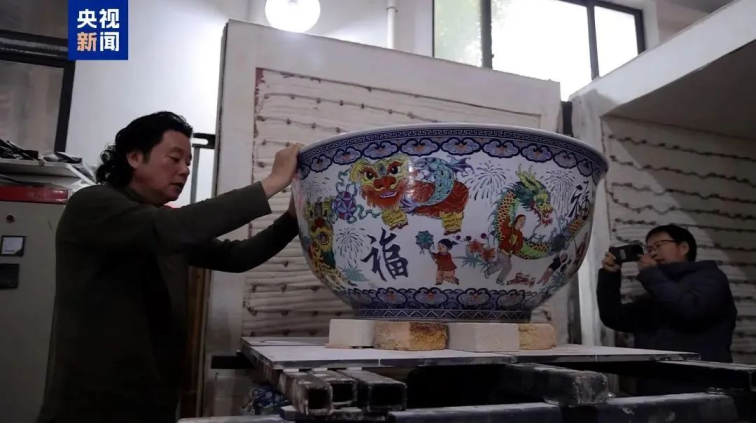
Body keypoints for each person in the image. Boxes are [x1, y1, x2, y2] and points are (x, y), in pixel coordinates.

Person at [38, 111, 303, 423]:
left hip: (152, 403)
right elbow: (173, 227)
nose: (185, 170)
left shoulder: (162, 223)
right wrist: (272, 183)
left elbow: (237, 257)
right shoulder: (93, 205)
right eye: (175, 159)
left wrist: (291, 220)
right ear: (134, 157)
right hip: (91, 408)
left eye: (188, 162)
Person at [597, 224, 737, 395]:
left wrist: (651, 275)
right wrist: (610, 276)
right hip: (654, 391)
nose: (653, 253)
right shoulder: (656, 289)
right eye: (649, 249)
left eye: (659, 245)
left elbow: (690, 310)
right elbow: (614, 317)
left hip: (701, 389)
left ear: (684, 248)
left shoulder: (711, 277)